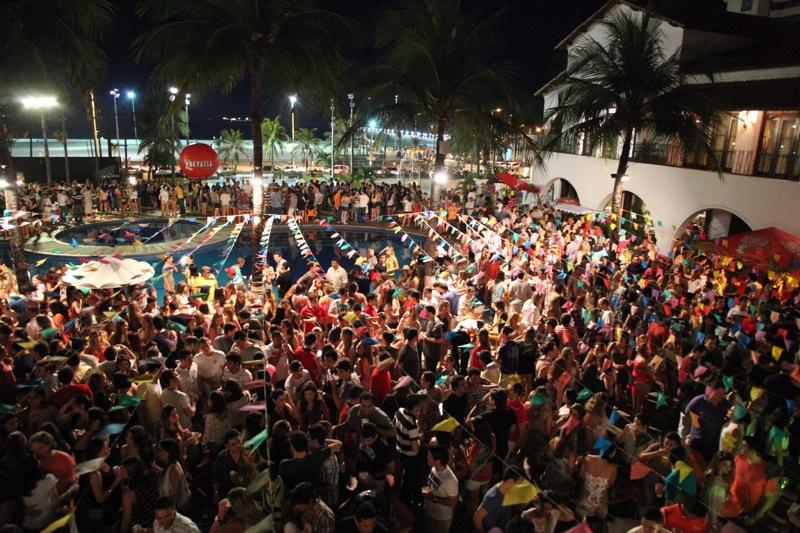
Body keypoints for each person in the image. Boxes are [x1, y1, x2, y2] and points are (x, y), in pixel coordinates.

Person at [423, 443, 459, 532]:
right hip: (429, 511)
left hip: (441, 519)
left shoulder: (450, 480)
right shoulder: (434, 467)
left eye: (429, 456)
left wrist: (433, 498)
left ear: (438, 461)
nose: (427, 457)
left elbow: (453, 503)